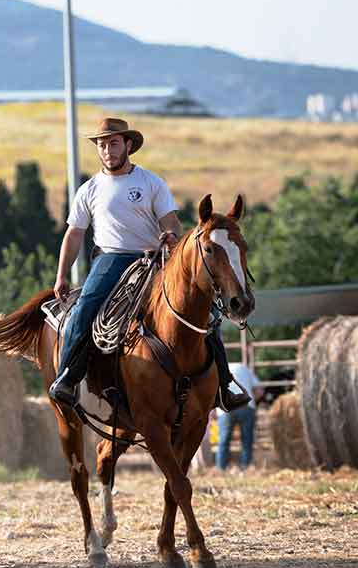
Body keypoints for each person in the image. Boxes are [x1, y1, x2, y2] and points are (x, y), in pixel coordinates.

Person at [48, 117, 251, 412]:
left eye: (113, 143)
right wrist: (61, 275)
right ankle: (67, 376)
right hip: (110, 259)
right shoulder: (89, 189)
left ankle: (224, 383)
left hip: (156, 256)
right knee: (85, 308)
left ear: (128, 145)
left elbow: (170, 221)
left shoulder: (151, 182)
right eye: (102, 144)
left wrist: (171, 236)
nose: (107, 150)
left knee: (205, 313)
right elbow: (75, 233)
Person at [215, 362, 264, 470]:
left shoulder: (218, 369)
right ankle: (246, 467)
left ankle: (220, 468)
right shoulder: (244, 368)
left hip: (226, 407)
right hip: (246, 405)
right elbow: (260, 391)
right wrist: (253, 402)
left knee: (224, 439)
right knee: (247, 439)